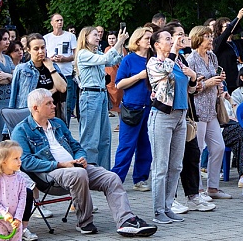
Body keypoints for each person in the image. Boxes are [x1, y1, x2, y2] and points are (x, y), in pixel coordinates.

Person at [11, 88, 157, 236]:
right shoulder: (21, 130)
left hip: (75, 166)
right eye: (48, 103)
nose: (54, 106)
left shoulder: (58, 123)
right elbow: (25, 161)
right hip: (50, 173)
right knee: (79, 174)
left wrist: (81, 158)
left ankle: (126, 221)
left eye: (52, 102)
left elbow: (76, 146)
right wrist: (60, 164)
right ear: (36, 108)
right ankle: (85, 223)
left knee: (111, 177)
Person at [145, 29, 197, 222]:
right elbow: (165, 70)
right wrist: (175, 50)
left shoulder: (180, 61)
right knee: (161, 166)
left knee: (176, 166)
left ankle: (168, 206)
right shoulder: (154, 63)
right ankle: (158, 211)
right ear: (157, 44)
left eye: (172, 38)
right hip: (162, 116)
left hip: (181, 116)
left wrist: (193, 77)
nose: (173, 41)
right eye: (168, 39)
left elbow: (190, 89)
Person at [184, 26, 229, 199]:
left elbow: (215, 76)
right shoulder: (191, 60)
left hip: (212, 108)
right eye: (207, 36)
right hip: (197, 109)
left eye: (211, 36)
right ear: (197, 39)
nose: (211, 39)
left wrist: (219, 82)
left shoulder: (212, 56)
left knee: (218, 147)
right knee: (197, 150)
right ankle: (198, 189)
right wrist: (207, 84)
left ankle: (213, 187)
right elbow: (188, 88)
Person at [73, 26, 123, 167]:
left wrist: (121, 45)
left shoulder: (97, 53)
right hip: (90, 96)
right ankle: (89, 170)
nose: (98, 37)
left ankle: (104, 171)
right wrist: (119, 42)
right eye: (94, 35)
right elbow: (106, 58)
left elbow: (113, 60)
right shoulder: (83, 54)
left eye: (98, 34)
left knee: (105, 137)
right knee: (90, 138)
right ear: (85, 37)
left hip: (101, 95)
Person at [111, 28, 153, 191]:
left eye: (151, 38)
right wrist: (139, 76)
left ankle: (140, 179)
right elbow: (119, 84)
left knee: (145, 145)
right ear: (137, 41)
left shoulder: (153, 59)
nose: (150, 41)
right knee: (127, 145)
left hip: (150, 107)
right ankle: (116, 179)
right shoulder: (129, 59)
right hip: (132, 107)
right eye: (147, 38)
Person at [0, 140, 32, 241]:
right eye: (15, 158)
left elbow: (22, 200)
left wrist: (18, 217)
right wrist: (4, 212)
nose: (20, 161)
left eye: (20, 158)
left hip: (16, 222)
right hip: (0, 220)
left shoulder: (21, 179)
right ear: (4, 161)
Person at [44, 14, 79, 120]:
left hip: (67, 74)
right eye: (57, 20)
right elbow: (43, 56)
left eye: (61, 20)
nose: (60, 22)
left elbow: (76, 55)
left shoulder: (70, 36)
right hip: (51, 74)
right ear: (52, 23)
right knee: (51, 104)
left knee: (67, 105)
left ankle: (65, 126)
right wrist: (50, 59)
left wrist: (65, 58)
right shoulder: (46, 38)